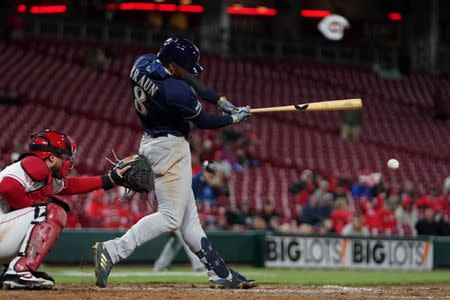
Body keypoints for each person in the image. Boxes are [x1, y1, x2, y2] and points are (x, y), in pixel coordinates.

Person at [93, 36, 255, 289]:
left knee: (189, 220)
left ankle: (219, 272)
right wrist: (233, 120)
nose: (189, 72)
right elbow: (203, 122)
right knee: (170, 218)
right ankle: (112, 250)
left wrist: (219, 101)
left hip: (152, 142)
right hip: (171, 147)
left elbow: (188, 79)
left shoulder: (142, 62)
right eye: (185, 66)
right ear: (172, 65)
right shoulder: (175, 91)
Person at [0, 130, 128, 289]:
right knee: (52, 210)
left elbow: (71, 185)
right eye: (66, 158)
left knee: (45, 209)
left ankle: (5, 270)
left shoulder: (39, 173)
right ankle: (19, 270)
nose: (69, 163)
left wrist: (109, 180)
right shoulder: (36, 164)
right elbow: (7, 187)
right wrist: (31, 205)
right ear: (52, 158)